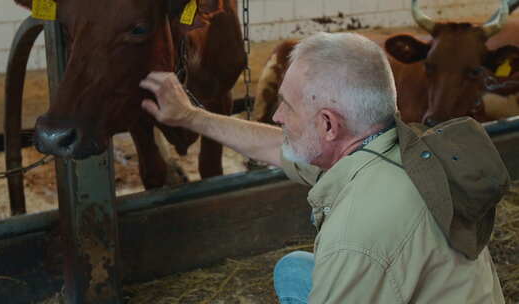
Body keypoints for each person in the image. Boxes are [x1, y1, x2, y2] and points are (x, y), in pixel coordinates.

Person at [140, 32, 506, 303]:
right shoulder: (394, 150)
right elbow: (273, 145)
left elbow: (358, 243)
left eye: (287, 106)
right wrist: (189, 116)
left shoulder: (355, 233)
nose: (278, 116)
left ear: (329, 125)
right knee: (297, 271)